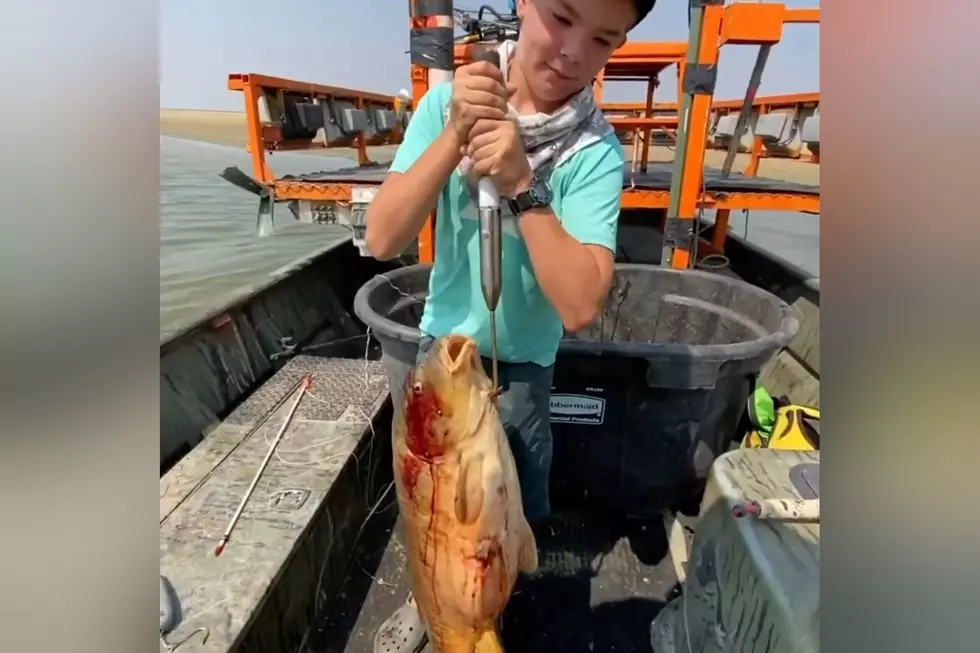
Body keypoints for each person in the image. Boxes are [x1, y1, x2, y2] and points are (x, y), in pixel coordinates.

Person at [364, 0, 656, 651]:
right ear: (524, 4)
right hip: (441, 363)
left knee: (504, 525)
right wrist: (455, 134)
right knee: (432, 514)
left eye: (603, 39)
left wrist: (523, 181)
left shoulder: (595, 153)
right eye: (560, 16)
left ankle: (493, 617)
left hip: (520, 374)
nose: (573, 50)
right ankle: (434, 605)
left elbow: (580, 303)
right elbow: (383, 234)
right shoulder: (447, 107)